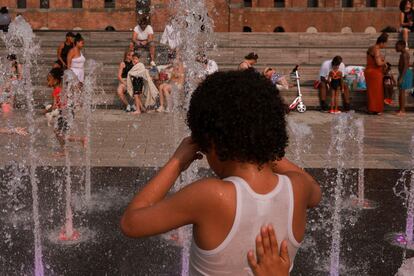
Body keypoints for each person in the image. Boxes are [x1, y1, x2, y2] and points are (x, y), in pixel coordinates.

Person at [121, 70, 321, 275]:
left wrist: (177, 162)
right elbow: (316, 192)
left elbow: (131, 223)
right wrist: (263, 146)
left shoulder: (211, 195)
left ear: (209, 140)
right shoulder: (299, 187)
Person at [47, 68, 86, 156]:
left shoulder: (56, 90)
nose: (47, 83)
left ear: (56, 80)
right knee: (59, 133)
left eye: (49, 80)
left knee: (59, 133)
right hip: (68, 112)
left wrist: (46, 110)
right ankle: (65, 150)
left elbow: (54, 106)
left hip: (64, 114)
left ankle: (80, 140)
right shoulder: (63, 89)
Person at [365, 33, 388, 115]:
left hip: (369, 71)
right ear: (382, 42)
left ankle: (371, 109)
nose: (385, 46)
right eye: (385, 43)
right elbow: (378, 63)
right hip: (375, 73)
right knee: (377, 91)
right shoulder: (377, 49)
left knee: (371, 92)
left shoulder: (371, 48)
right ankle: (376, 109)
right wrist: (384, 62)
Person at [396, 40, 412, 115]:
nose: (395, 47)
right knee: (400, 92)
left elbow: (405, 66)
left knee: (402, 92)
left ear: (402, 46)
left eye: (397, 45)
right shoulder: (402, 54)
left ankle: (402, 110)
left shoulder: (404, 54)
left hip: (404, 74)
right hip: (403, 73)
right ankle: (401, 109)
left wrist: (401, 78)